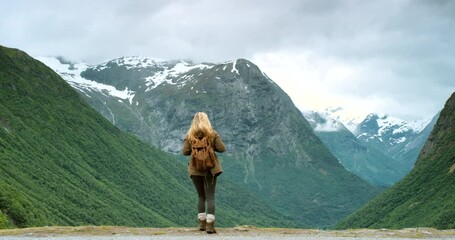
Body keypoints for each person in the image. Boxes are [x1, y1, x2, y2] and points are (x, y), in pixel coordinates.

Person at [182, 112, 226, 234]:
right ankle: (210, 226)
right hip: (210, 170)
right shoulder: (212, 134)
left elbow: (185, 152)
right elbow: (222, 148)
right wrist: (211, 147)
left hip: (195, 170)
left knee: (201, 196)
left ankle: (201, 223)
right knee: (210, 196)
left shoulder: (190, 135)